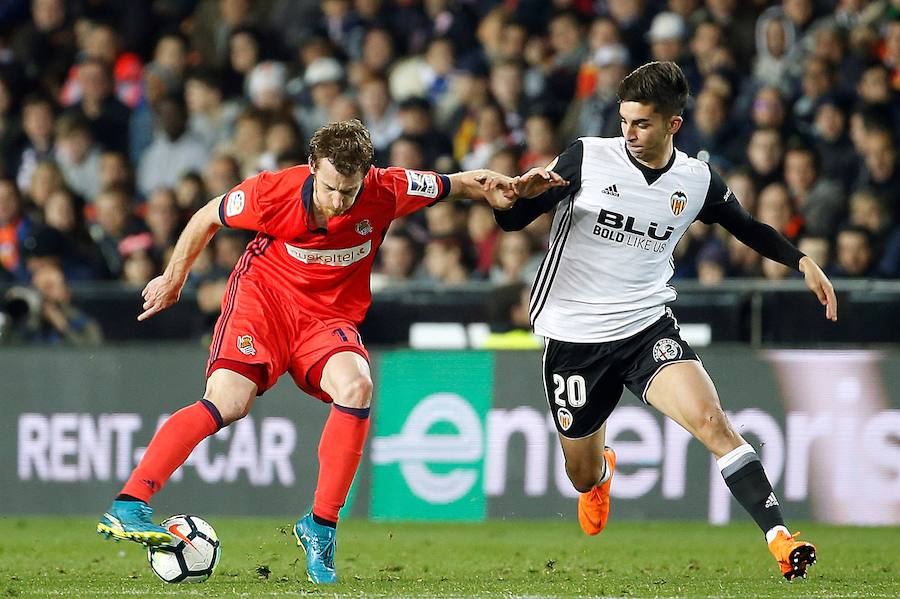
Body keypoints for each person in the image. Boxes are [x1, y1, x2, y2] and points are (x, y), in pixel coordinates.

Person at [96, 119, 515, 583]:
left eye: (350, 192)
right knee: (229, 402)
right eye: (332, 188)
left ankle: (320, 526)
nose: (339, 202)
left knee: (357, 387)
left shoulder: (387, 189)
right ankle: (130, 504)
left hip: (328, 318)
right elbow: (206, 216)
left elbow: (459, 183)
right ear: (313, 166)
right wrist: (174, 278)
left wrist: (501, 189)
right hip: (264, 301)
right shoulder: (272, 193)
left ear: (366, 175)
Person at [493, 61, 836, 582]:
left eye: (642, 123)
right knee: (579, 472)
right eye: (624, 120)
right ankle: (600, 472)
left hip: (645, 326)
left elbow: (746, 227)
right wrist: (519, 196)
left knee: (712, 423)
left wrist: (801, 261)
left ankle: (780, 539)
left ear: (673, 124)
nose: (628, 133)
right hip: (575, 336)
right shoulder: (589, 156)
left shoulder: (696, 180)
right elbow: (514, 220)